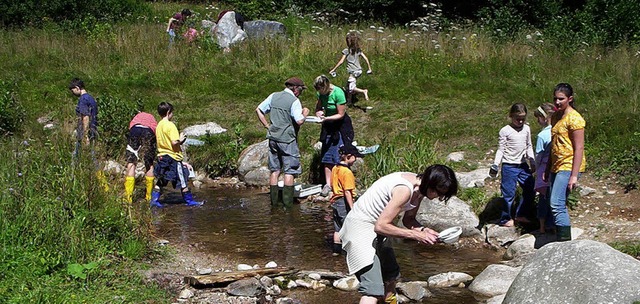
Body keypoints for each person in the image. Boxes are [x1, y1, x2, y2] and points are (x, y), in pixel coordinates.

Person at [339, 165, 458, 304]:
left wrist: (423, 230)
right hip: (359, 228)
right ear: (430, 185)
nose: (439, 197)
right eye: (439, 193)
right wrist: (416, 235)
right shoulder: (404, 190)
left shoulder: (419, 188)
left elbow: (408, 219)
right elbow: (381, 226)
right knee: (373, 290)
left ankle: (390, 301)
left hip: (377, 228)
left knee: (391, 275)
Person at [256, 77, 310, 207]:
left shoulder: (274, 96)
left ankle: (274, 203)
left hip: (273, 138)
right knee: (290, 171)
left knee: (274, 170)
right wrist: (305, 113)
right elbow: (299, 121)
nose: (301, 92)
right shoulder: (294, 101)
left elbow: (259, 109)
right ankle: (287, 206)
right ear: (296, 89)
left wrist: (267, 126)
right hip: (287, 140)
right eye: (301, 89)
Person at [544, 83, 586, 242]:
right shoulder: (555, 116)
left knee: (556, 203)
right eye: (555, 98)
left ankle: (564, 241)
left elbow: (579, 147)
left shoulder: (575, 119)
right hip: (556, 164)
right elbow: (553, 144)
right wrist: (547, 168)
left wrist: (574, 176)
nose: (557, 102)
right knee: (555, 201)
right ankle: (559, 234)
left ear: (570, 99)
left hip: (568, 164)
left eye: (561, 99)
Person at [490, 103, 536, 227]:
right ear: (511, 116)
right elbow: (501, 149)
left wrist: (532, 161)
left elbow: (528, 146)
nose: (520, 121)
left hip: (522, 165)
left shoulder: (526, 128)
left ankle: (521, 214)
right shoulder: (505, 131)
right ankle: (505, 218)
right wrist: (495, 164)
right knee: (508, 194)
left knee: (531, 188)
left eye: (523, 118)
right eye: (517, 118)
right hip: (509, 166)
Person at [149, 102, 203, 207]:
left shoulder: (159, 125)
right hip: (173, 157)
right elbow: (174, 142)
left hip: (162, 156)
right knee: (182, 179)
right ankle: (189, 201)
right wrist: (181, 139)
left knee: (162, 180)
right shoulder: (170, 125)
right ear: (169, 112)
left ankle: (154, 200)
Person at [313, 75, 355, 197]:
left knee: (340, 153)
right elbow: (318, 107)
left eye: (321, 89)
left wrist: (326, 118)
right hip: (328, 124)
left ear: (326, 86)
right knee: (327, 154)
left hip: (340, 124)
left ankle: (340, 183)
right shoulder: (320, 94)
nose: (320, 92)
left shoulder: (338, 93)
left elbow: (341, 114)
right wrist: (319, 113)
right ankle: (328, 184)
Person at [69, 78, 109, 191]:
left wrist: (85, 135)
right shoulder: (91, 99)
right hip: (93, 131)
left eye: (73, 90)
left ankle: (74, 185)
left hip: (85, 133)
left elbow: (85, 117)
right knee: (87, 158)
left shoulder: (83, 99)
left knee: (80, 158)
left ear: (77, 88)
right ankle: (101, 185)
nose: (72, 93)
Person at [329, 144, 363, 256]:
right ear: (349, 156)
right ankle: (352, 252)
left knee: (338, 228)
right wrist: (352, 207)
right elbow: (347, 191)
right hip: (343, 202)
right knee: (349, 226)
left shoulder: (335, 168)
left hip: (335, 200)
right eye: (355, 157)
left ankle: (336, 251)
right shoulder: (347, 172)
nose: (355, 160)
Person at [124, 111, 158, 204]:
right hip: (148, 131)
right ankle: (149, 197)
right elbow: (155, 132)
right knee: (149, 163)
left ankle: (128, 198)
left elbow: (130, 127)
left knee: (131, 162)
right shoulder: (152, 118)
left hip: (135, 130)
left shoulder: (136, 117)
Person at [328, 32, 373, 102]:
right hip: (359, 71)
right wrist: (369, 68)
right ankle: (349, 100)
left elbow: (341, 61)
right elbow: (366, 58)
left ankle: (363, 91)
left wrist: (333, 69)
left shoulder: (346, 51)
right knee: (348, 86)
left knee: (351, 88)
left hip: (353, 72)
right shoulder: (358, 50)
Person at [533, 103, 555, 233]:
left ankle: (542, 227)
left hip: (543, 170)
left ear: (545, 117)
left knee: (543, 198)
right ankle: (552, 225)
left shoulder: (542, 136)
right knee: (554, 198)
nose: (537, 121)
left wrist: (535, 168)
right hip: (556, 168)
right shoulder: (559, 130)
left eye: (538, 118)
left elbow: (538, 155)